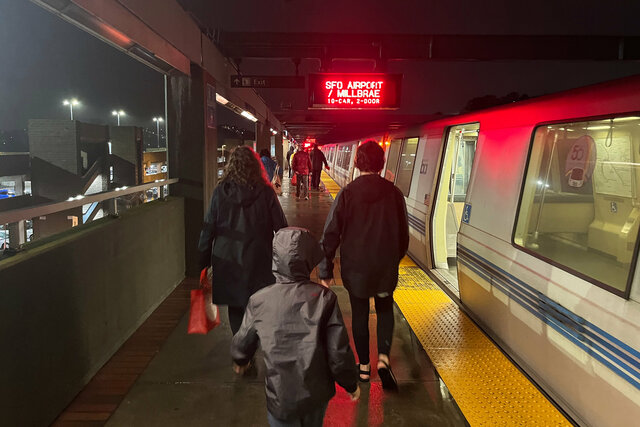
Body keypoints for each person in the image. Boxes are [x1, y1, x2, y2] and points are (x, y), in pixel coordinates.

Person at [231, 227, 360, 427]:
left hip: (280, 396)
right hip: (315, 395)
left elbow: (243, 338)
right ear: (308, 260)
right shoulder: (325, 299)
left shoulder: (259, 300)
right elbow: (338, 352)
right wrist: (350, 384)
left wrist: (241, 359)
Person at [318, 140, 409, 390]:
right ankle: (383, 359)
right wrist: (394, 259)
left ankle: (365, 369)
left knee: (359, 314)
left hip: (356, 269)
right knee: (384, 309)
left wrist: (325, 270)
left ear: (358, 163)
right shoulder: (394, 193)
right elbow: (404, 236)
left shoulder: (347, 193)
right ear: (381, 164)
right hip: (384, 268)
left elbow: (330, 234)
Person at [198, 145, 288, 335]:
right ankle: (250, 346)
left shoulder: (220, 191)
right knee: (258, 305)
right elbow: (282, 228)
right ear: (255, 166)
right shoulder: (266, 192)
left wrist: (203, 263)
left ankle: (242, 355)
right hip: (259, 259)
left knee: (236, 307)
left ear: (231, 166)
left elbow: (208, 228)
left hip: (228, 260)